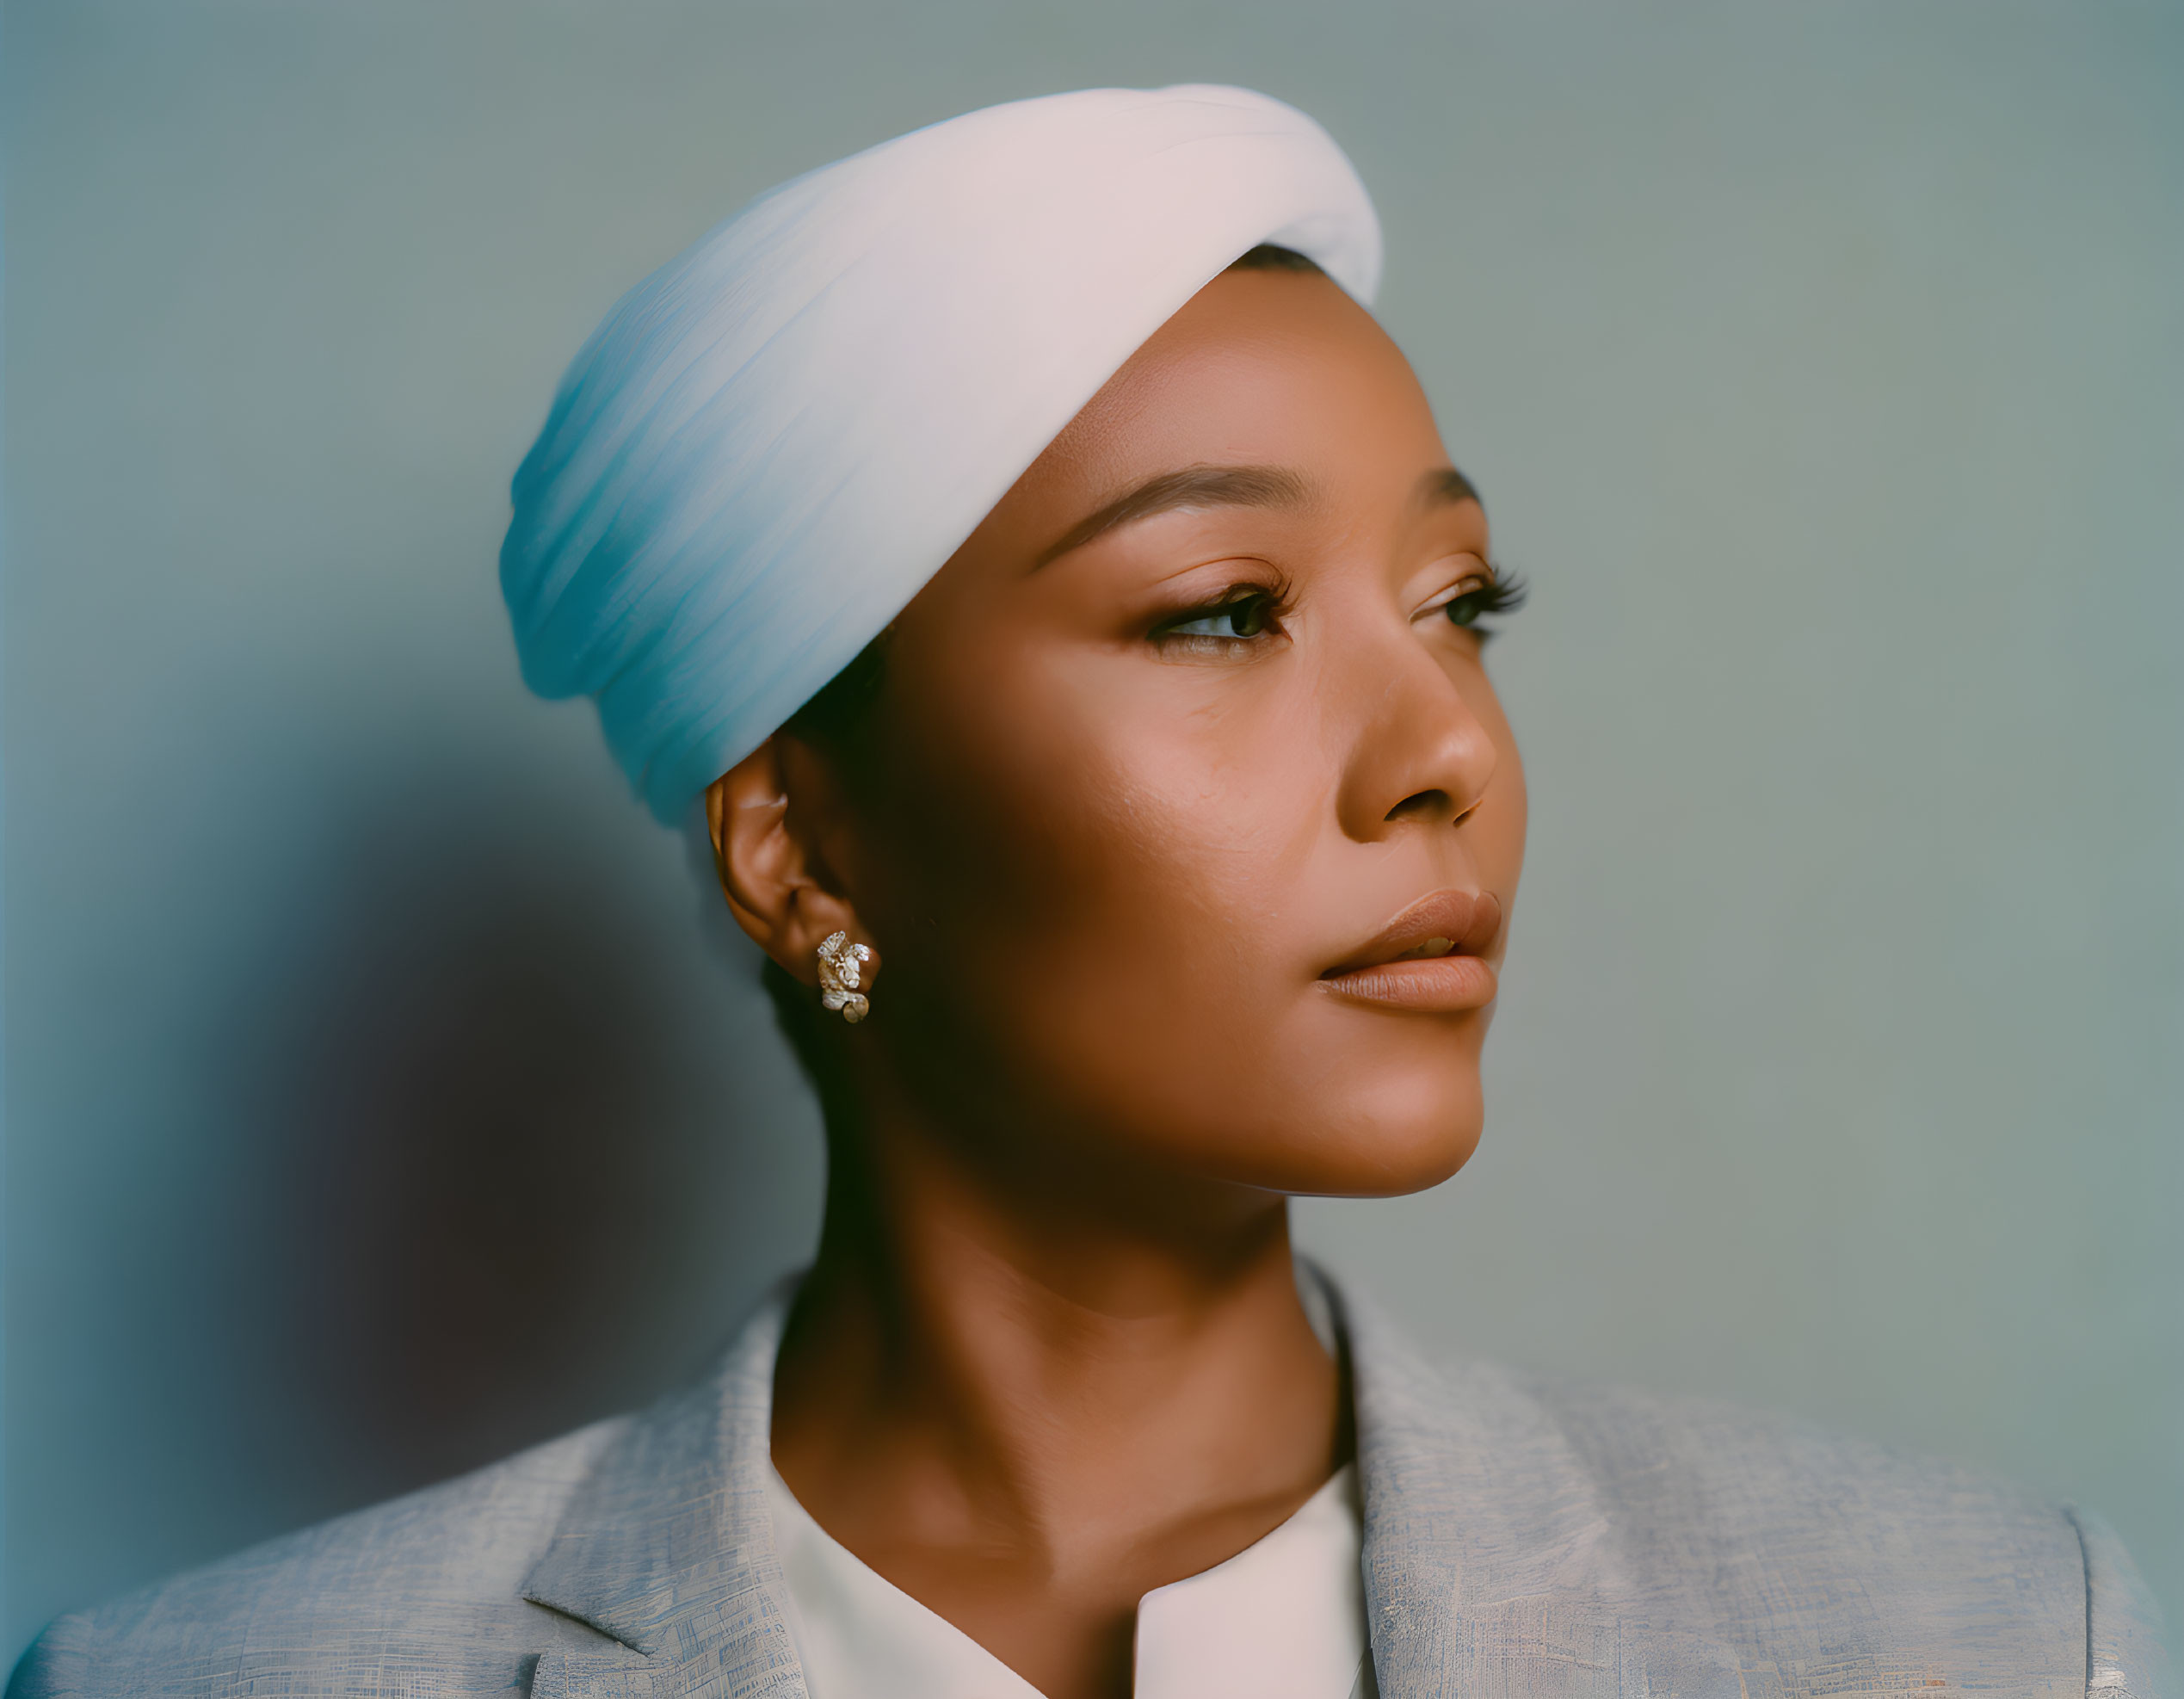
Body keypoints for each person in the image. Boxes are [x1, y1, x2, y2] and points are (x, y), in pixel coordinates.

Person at [9, 84, 2169, 1699]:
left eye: (1461, 600)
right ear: (800, 845)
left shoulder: (1975, 1635)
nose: (1452, 754)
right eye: (1226, 612)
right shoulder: (204, 1681)